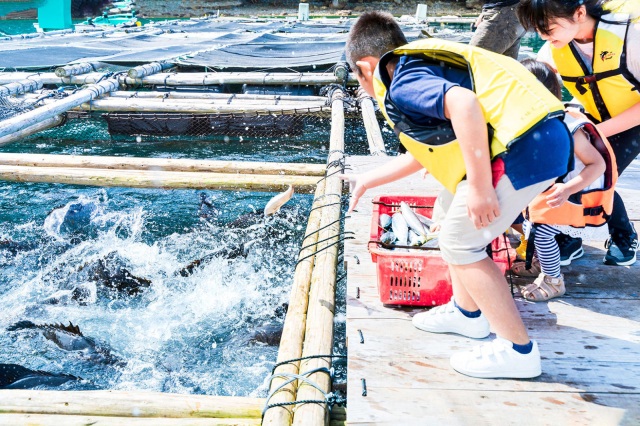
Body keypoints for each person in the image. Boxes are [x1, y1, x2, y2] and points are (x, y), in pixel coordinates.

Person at [342, 11, 572, 379]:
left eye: (356, 77)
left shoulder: (402, 82)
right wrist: (369, 180)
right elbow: (420, 154)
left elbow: (464, 104)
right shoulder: (418, 66)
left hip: (526, 146)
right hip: (539, 137)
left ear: (366, 67)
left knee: (460, 243)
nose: (360, 85)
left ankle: (518, 350)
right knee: (447, 210)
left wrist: (480, 186)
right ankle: (467, 314)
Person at [517, 0, 640, 266]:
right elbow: (533, 87)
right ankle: (568, 236)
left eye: (548, 28)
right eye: (538, 31)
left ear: (579, 12)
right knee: (562, 167)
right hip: (593, 115)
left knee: (599, 172)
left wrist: (592, 133)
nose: (543, 37)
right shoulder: (554, 48)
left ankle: (623, 235)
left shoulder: (631, 37)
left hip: (634, 119)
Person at [512, 59, 617, 301]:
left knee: (540, 231)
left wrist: (569, 188)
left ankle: (554, 279)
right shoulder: (536, 119)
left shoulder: (568, 125)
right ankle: (540, 262)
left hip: (576, 195)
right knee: (526, 219)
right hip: (552, 190)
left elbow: (597, 164)